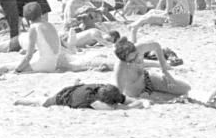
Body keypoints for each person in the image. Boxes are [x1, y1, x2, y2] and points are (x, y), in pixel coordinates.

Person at [113, 38, 190, 100]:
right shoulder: (120, 69)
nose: (136, 60)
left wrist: (164, 67)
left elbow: (156, 45)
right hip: (137, 91)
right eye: (131, 60)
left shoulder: (139, 48)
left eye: (136, 55)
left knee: (185, 88)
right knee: (176, 97)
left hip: (147, 77)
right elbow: (118, 94)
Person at [129, 0, 194, 40]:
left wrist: (155, 15)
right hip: (185, 20)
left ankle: (135, 25)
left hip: (176, 22)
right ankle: (137, 23)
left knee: (151, 17)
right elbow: (173, 11)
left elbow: (168, 13)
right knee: (152, 11)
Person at [14, 83, 146, 110]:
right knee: (43, 102)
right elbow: (126, 108)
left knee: (45, 99)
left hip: (72, 89)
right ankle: (20, 101)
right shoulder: (95, 102)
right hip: (63, 98)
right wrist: (141, 103)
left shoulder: (102, 88)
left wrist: (138, 102)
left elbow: (126, 100)